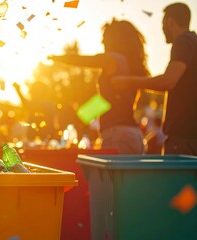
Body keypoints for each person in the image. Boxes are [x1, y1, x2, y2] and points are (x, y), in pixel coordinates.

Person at [49, 19, 149, 154]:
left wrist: (55, 57)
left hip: (118, 136)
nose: (102, 42)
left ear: (115, 39)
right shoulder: (130, 64)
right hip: (132, 135)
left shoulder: (114, 58)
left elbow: (86, 61)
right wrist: (83, 116)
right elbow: (110, 102)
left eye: (105, 38)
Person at [112, 3, 197, 155]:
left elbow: (168, 81)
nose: (162, 29)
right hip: (137, 134)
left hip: (180, 138)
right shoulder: (193, 42)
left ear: (170, 22)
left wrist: (58, 58)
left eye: (163, 23)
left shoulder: (183, 41)